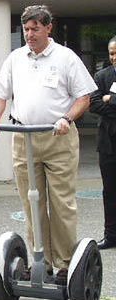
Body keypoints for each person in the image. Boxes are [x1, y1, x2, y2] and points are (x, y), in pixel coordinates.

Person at [0, 5, 97, 285]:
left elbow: (83, 97)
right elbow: (0, 93)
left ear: (49, 28)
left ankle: (63, 264)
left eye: (35, 28)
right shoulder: (15, 59)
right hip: (24, 137)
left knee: (61, 203)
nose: (30, 34)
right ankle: (42, 261)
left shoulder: (65, 58)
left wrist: (66, 118)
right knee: (31, 202)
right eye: (26, 29)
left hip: (58, 136)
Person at [89, 36, 116, 250]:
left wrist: (111, 99)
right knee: (109, 191)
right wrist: (107, 101)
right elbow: (94, 104)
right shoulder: (101, 76)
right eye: (111, 53)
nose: (114, 57)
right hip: (108, 143)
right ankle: (111, 235)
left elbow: (105, 103)